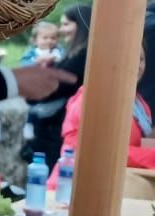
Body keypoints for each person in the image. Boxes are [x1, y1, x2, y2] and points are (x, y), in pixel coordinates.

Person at [49, 50, 155, 189]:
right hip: (72, 188)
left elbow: (139, 145)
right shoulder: (93, 95)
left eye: (140, 59)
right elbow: (102, 150)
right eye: (129, 57)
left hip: (113, 187)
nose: (136, 65)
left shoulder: (139, 104)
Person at [31, 4, 92, 166]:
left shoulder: (81, 56)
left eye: (66, 24)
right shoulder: (75, 53)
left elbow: (53, 87)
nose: (61, 29)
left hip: (57, 129)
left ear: (80, 24)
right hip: (54, 127)